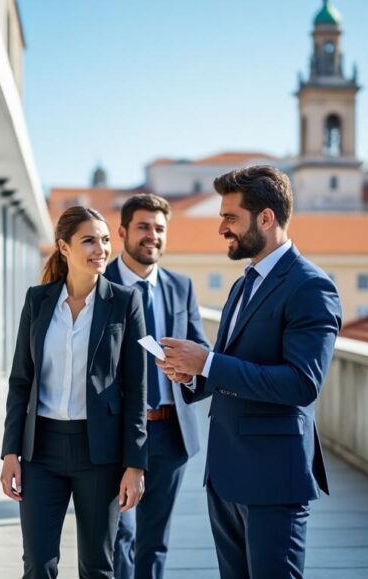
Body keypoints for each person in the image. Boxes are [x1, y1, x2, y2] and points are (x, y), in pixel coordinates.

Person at [158, 166, 342, 579]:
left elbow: (302, 384)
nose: (222, 228)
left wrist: (206, 362)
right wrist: (191, 373)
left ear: (266, 218)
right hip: (225, 475)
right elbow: (232, 363)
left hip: (274, 479)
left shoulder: (311, 287)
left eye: (231, 217)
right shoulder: (243, 284)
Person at [0, 206, 149, 579]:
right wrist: (10, 451)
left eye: (105, 240)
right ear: (64, 247)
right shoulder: (37, 300)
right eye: (89, 241)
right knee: (38, 563)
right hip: (41, 450)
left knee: (97, 567)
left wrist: (135, 464)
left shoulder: (125, 302)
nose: (101, 249)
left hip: (100, 452)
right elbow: (21, 381)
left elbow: (137, 389)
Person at [103, 193, 210, 579]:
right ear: (122, 233)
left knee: (155, 539)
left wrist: (188, 373)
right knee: (120, 534)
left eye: (160, 228)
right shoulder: (98, 284)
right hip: (115, 432)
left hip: (169, 430)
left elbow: (202, 353)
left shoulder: (181, 286)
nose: (153, 235)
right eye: (144, 227)